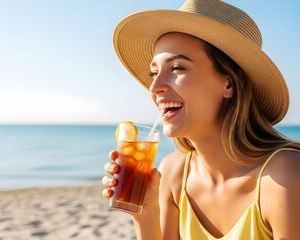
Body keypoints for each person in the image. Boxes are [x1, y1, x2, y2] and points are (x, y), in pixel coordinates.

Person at [102, 0, 300, 239]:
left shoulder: (286, 177)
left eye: (177, 68)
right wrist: (145, 214)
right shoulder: (173, 173)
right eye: (154, 72)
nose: (155, 87)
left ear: (227, 83)